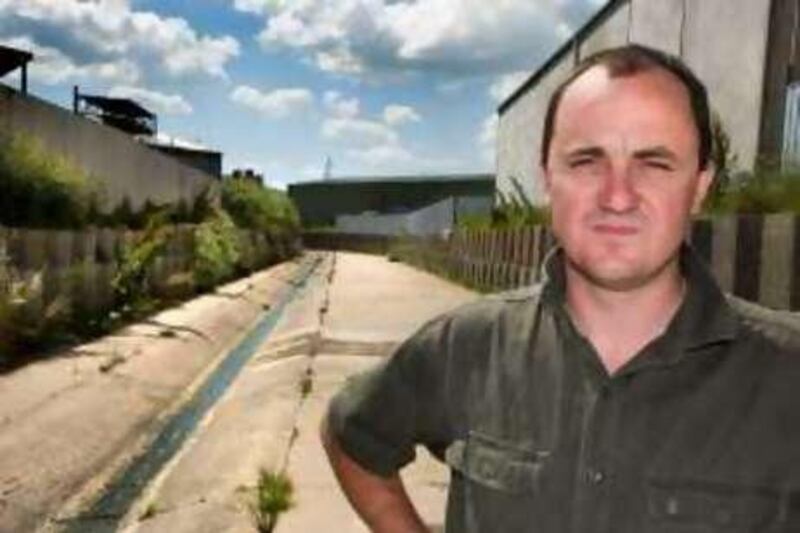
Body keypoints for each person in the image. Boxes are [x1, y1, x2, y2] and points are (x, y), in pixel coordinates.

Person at [320, 44, 800, 532]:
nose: (617, 196)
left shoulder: (787, 375)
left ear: (700, 186)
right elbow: (351, 434)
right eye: (586, 161)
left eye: (654, 163)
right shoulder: (465, 346)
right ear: (548, 177)